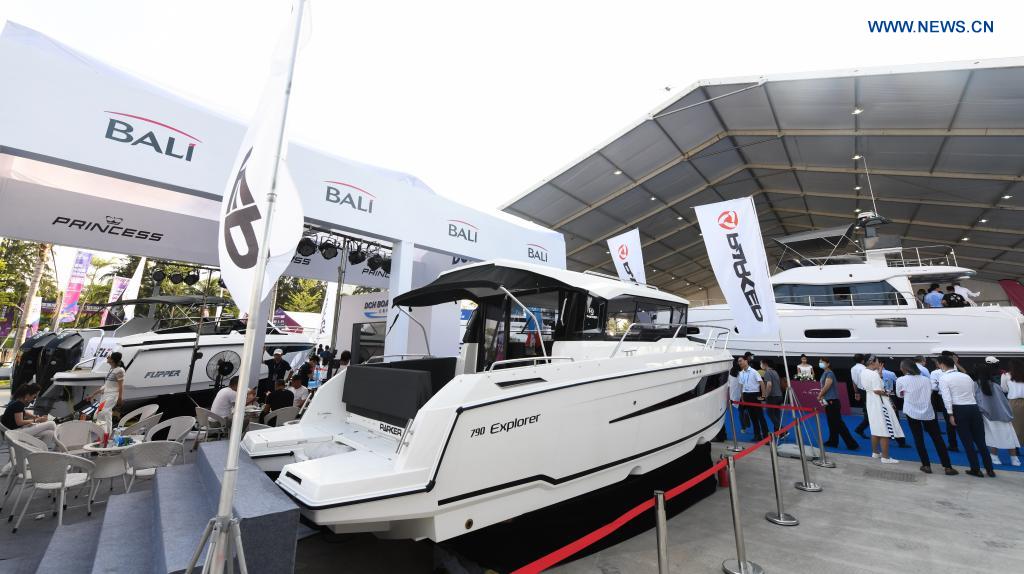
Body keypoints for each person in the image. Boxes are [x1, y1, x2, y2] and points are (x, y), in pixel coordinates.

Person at [896, 360, 957, 475]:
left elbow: (899, 395)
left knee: (918, 439)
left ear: (904, 369)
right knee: (937, 439)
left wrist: (907, 393)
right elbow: (930, 392)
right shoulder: (926, 379)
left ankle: (926, 465)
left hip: (911, 412)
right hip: (928, 412)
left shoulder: (901, 380)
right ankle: (948, 467)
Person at [937, 355, 994, 477]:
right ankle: (990, 469)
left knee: (967, 441)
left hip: (959, 409)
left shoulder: (944, 378)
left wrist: (950, 414)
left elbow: (947, 398)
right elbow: (973, 393)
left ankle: (975, 469)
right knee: (981, 441)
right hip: (973, 408)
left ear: (942, 364)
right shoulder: (966, 376)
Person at [975, 359, 1021, 467]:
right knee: (1009, 435)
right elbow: (1004, 402)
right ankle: (1014, 459)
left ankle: (994, 457)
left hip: (988, 415)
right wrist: (1008, 413)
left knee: (992, 435)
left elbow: (978, 402)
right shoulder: (995, 386)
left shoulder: (977, 386)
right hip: (1003, 415)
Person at [862, 355, 903, 463]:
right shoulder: (873, 374)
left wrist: (879, 373)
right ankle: (885, 457)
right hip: (879, 402)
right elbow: (877, 390)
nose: (879, 364)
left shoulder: (864, 372)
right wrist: (888, 393)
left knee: (875, 428)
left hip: (871, 401)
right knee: (884, 429)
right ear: (872, 362)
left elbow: (872, 387)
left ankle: (875, 452)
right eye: (877, 362)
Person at [817, 357, 858, 450]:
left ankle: (852, 444)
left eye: (822, 362)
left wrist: (820, 395)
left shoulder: (829, 373)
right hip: (829, 401)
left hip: (832, 402)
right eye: (819, 362)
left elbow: (827, 385)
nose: (820, 363)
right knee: (832, 423)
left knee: (838, 424)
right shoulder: (825, 373)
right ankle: (833, 441)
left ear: (828, 364)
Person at [930, 354, 960, 452]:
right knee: (962, 422)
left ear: (940, 363)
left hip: (943, 397)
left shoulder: (935, 373)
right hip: (958, 397)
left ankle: (953, 445)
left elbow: (933, 387)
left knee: (949, 423)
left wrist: (941, 386)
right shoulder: (956, 370)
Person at [737, 355, 769, 441]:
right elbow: (741, 386)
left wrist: (763, 396)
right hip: (746, 396)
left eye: (741, 360)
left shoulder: (754, 372)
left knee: (760, 417)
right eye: (738, 361)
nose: (739, 362)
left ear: (746, 361)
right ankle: (757, 436)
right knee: (753, 418)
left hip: (755, 395)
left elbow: (762, 383)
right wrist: (742, 398)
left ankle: (766, 436)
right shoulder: (740, 373)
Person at [90, 352, 125, 427]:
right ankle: (105, 432)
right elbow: (106, 386)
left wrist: (120, 398)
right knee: (103, 414)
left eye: (109, 357)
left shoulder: (119, 370)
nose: (107, 358)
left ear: (112, 360)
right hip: (105, 395)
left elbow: (121, 385)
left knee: (102, 412)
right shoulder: (112, 370)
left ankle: (102, 431)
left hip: (112, 396)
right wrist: (93, 395)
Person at [880, 360, 908, 448]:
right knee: (895, 418)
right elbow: (897, 382)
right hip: (889, 396)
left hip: (879, 398)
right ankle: (900, 441)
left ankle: (888, 435)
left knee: (883, 417)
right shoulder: (890, 373)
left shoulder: (872, 374)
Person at [761, 359, 785, 436]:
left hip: (772, 397)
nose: (760, 365)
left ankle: (782, 431)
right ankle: (778, 433)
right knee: (777, 415)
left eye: (761, 363)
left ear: (765, 364)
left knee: (770, 414)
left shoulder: (767, 372)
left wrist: (765, 395)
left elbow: (769, 385)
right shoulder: (775, 372)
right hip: (779, 396)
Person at [1003, 359, 1024, 446]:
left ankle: (1016, 447)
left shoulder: (1005, 376)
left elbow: (1004, 389)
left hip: (1013, 403)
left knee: (1014, 426)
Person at [851, 354, 871, 439]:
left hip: (860, 390)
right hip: (867, 391)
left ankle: (860, 429)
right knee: (870, 413)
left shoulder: (853, 368)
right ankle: (860, 429)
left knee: (868, 411)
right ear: (863, 360)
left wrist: (856, 392)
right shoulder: (864, 369)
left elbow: (854, 382)